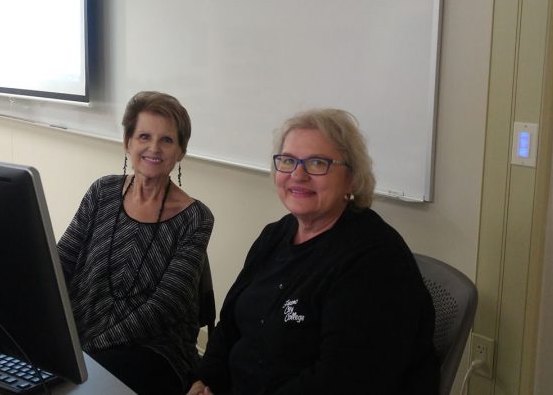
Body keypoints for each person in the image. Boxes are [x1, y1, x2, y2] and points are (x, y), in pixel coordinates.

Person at [188, 109, 438, 395]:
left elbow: (340, 382)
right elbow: (231, 323)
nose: (298, 174)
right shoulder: (276, 234)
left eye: (318, 163)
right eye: (288, 161)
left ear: (352, 179)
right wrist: (205, 380)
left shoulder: (376, 262)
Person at [57, 91, 214, 395]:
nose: (154, 148)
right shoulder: (102, 192)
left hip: (152, 348)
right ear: (127, 142)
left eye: (167, 140)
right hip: (81, 328)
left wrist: (89, 349)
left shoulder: (196, 218)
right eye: (144, 136)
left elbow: (162, 307)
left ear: (181, 151)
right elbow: (61, 260)